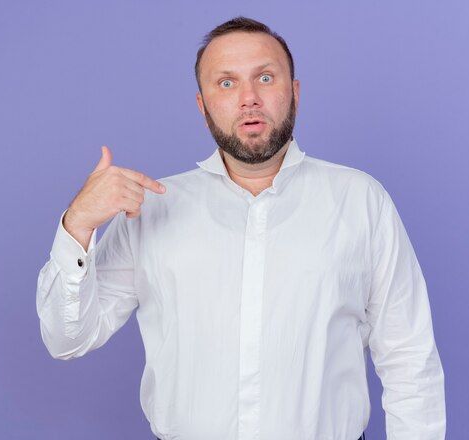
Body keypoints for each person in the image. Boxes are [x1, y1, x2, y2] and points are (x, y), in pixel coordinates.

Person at [36, 17, 445, 440]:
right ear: (202, 104)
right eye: (226, 83)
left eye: (265, 77)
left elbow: (409, 361)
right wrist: (78, 224)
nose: (249, 98)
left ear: (296, 93)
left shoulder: (361, 201)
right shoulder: (151, 209)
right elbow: (67, 339)